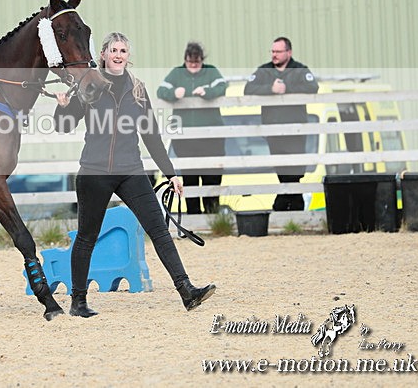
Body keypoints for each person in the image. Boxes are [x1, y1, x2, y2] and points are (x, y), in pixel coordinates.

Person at [54, 32, 216, 316]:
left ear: (128, 56)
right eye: (113, 50)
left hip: (131, 171)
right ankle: (78, 302)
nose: (118, 55)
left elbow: (151, 134)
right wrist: (62, 107)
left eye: (123, 51)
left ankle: (187, 291)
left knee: (159, 231)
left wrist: (170, 173)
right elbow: (63, 126)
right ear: (103, 54)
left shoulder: (138, 89)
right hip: (94, 172)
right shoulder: (89, 86)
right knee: (87, 237)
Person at [243, 36, 319, 211]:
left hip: (295, 130)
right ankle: (291, 204)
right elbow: (248, 89)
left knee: (295, 170)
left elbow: (312, 87)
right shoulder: (264, 71)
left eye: (278, 51)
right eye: (272, 51)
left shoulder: (299, 70)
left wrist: (287, 89)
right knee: (282, 170)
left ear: (288, 52)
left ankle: (283, 204)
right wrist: (270, 89)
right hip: (273, 130)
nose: (274, 55)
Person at [157, 42, 227, 214]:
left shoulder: (211, 72)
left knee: (212, 178)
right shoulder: (176, 73)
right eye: (190, 62)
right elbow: (161, 91)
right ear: (185, 60)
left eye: (197, 62)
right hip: (185, 141)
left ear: (202, 60)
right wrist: (174, 93)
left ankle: (213, 216)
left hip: (212, 140)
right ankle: (193, 216)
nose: (194, 66)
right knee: (190, 179)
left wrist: (207, 91)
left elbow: (222, 86)